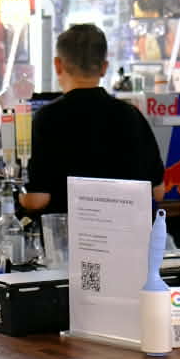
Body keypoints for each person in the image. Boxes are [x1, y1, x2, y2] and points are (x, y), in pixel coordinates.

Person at [19, 23, 165, 217]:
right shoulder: (132, 116)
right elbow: (157, 191)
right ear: (104, 68)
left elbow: (36, 200)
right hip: (129, 242)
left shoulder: (46, 119)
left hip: (67, 242)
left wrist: (13, 195)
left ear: (58, 65)